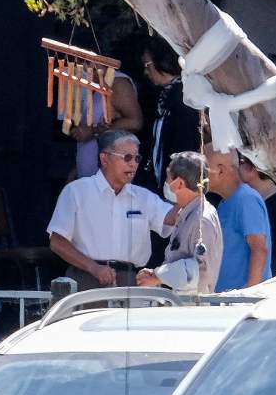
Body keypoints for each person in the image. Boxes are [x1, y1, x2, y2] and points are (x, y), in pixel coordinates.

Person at [48, 129, 179, 290]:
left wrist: (185, 189)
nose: (133, 164)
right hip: (86, 279)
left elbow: (173, 218)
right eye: (127, 157)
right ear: (104, 158)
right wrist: (93, 268)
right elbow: (57, 242)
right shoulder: (76, 191)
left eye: (137, 158)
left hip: (133, 281)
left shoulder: (144, 197)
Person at [137, 152, 223, 295]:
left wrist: (158, 276)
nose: (166, 182)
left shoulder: (202, 219)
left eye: (168, 176)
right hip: (180, 306)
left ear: (180, 183)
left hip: (194, 310)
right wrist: (156, 275)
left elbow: (199, 270)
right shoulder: (187, 213)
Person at [139, 37, 202, 188]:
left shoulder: (184, 94)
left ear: (164, 61)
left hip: (178, 180)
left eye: (148, 65)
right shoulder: (163, 94)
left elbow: (185, 139)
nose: (146, 72)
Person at [206, 146, 271, 291]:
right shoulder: (224, 203)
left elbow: (259, 250)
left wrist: (247, 295)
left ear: (221, 170)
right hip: (224, 303)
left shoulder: (246, 199)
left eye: (204, 168)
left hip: (239, 306)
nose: (201, 175)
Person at [71, 62, 143, 179]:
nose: (86, 68)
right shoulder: (94, 84)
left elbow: (135, 122)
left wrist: (94, 131)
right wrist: (75, 171)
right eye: (82, 63)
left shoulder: (118, 83)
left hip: (108, 179)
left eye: (89, 63)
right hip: (88, 176)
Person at [237, 155, 276, 276]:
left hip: (272, 279)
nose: (237, 166)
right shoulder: (246, 199)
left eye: (241, 162)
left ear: (253, 167)